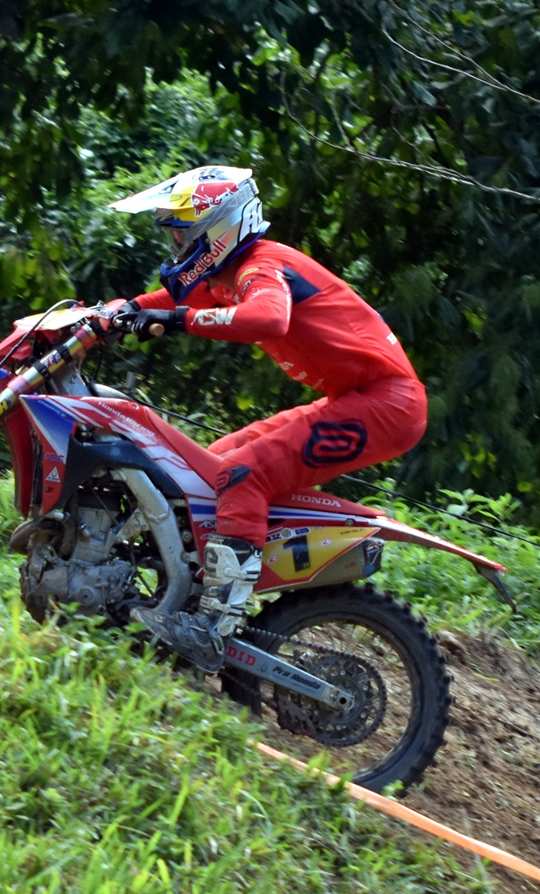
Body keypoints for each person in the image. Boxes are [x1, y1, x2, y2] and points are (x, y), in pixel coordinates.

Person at [109, 165, 428, 672]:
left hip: (387, 406)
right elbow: (173, 298)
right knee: (209, 464)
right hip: (357, 397)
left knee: (244, 475)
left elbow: (269, 317)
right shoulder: (228, 272)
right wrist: (115, 311)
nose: (174, 243)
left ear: (215, 230)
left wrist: (177, 321)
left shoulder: (261, 265)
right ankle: (188, 588)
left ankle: (213, 627)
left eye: (180, 232)